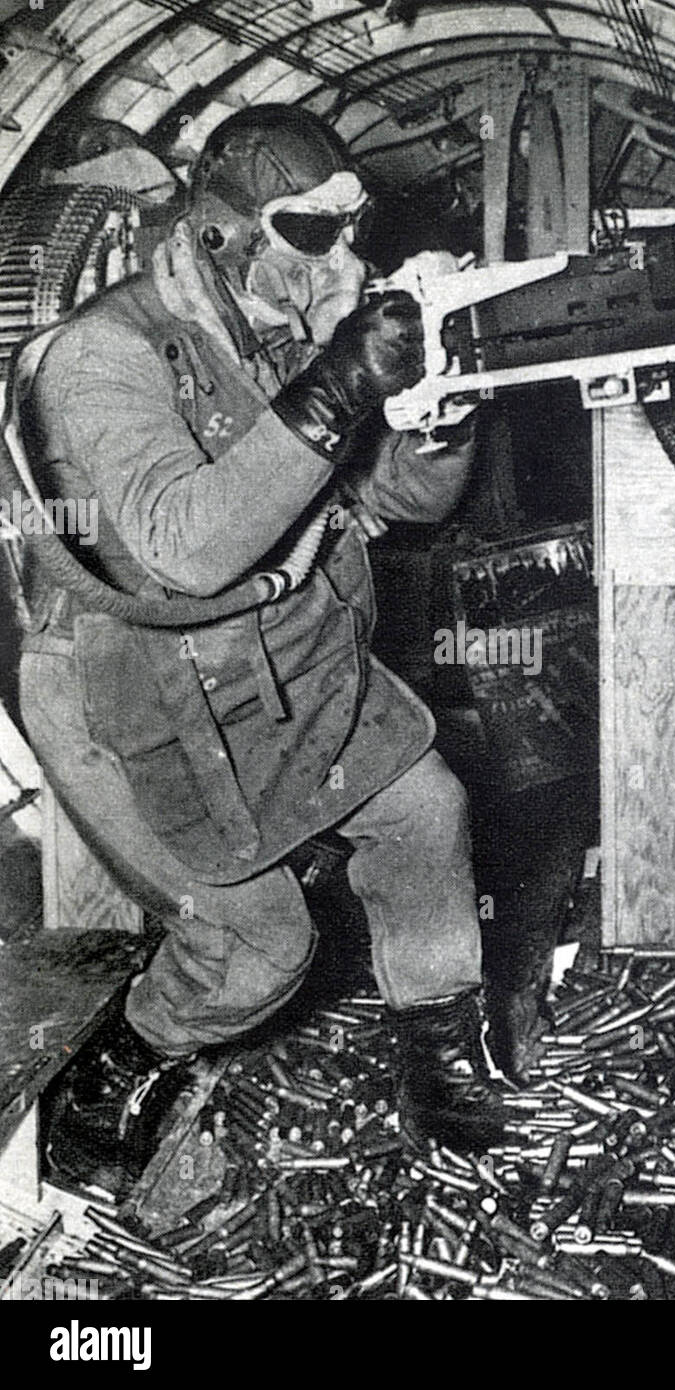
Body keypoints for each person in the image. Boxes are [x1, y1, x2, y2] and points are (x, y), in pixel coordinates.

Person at [13, 103, 507, 1187]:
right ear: (226, 232)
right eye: (313, 233)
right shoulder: (105, 356)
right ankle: (108, 1082)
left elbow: (395, 503)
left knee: (427, 809)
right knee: (258, 949)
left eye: (352, 228)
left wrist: (439, 415)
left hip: (269, 658)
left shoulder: (278, 331)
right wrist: (338, 386)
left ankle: (440, 1055)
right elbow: (184, 550)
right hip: (123, 688)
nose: (344, 257)